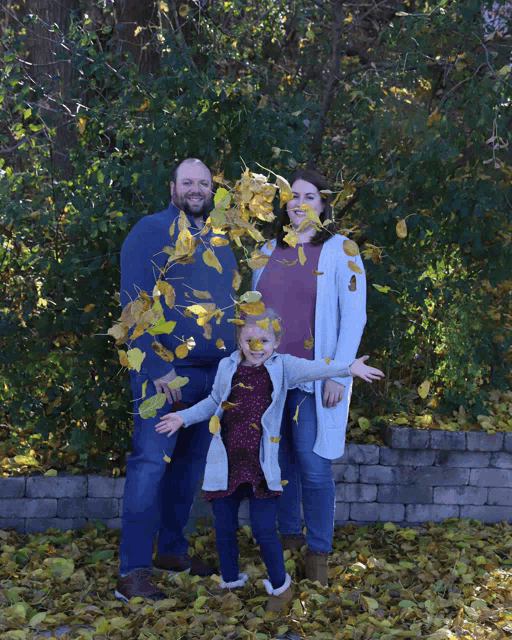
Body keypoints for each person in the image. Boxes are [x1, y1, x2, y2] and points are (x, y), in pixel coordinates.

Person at [155, 309, 383, 611]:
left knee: (263, 530)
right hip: (226, 465)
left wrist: (348, 369)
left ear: (276, 342)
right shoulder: (227, 367)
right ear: (239, 339)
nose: (257, 346)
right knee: (224, 529)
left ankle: (280, 588)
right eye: (250, 339)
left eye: (264, 339)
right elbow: (213, 402)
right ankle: (230, 584)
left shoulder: (283, 367)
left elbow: (317, 368)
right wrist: (182, 418)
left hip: (260, 467)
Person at [116, 158, 238, 602]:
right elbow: (133, 305)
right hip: (165, 374)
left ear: (211, 190)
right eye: (188, 182)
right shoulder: (150, 231)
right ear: (172, 188)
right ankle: (131, 572)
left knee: (187, 471)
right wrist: (155, 365)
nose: (196, 189)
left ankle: (171, 551)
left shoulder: (219, 239)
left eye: (203, 183)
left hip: (212, 375)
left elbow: (230, 304)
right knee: (150, 466)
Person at [252, 169, 367, 586]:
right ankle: (288, 542)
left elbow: (355, 317)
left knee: (314, 467)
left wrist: (339, 373)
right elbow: (251, 319)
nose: (299, 202)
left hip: (316, 381)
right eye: (293, 196)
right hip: (269, 381)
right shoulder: (266, 251)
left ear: (324, 204)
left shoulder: (342, 250)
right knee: (277, 466)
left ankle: (318, 555)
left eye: (310, 196)